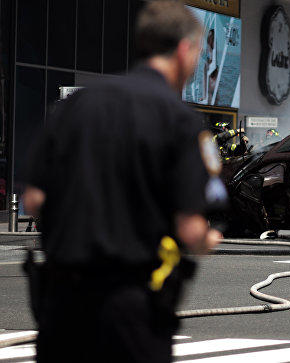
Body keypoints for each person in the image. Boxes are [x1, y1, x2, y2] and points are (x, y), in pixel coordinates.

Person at [22, 2, 223, 362]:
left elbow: (34, 200)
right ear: (183, 49)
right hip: (131, 311)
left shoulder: (76, 107)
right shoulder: (180, 121)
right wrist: (209, 238)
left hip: (62, 305)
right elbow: (191, 230)